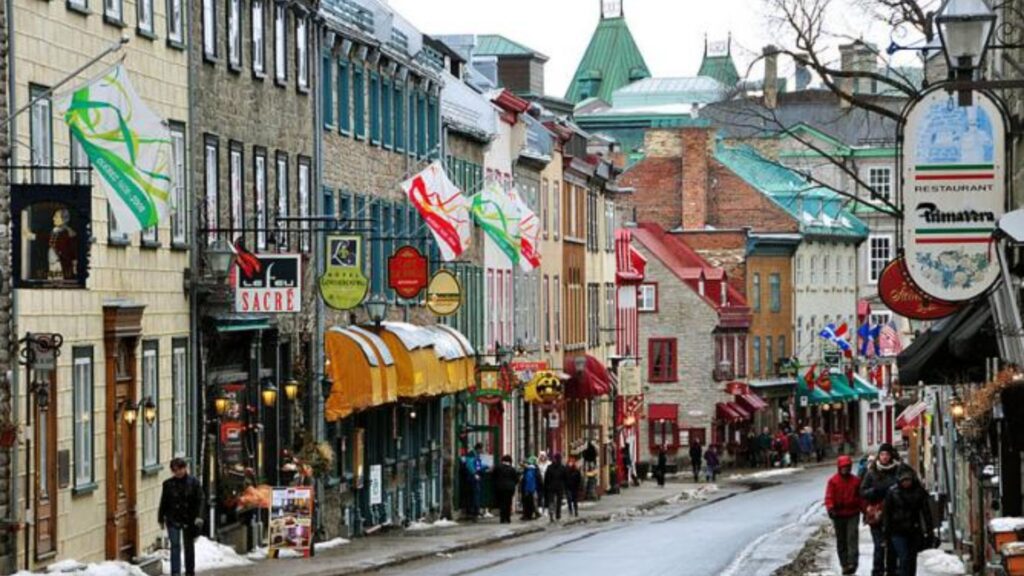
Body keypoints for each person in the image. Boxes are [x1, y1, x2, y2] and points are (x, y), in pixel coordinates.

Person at [884, 467, 937, 576]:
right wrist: (886, 532)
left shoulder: (919, 492)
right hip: (897, 531)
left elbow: (926, 513)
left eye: (908, 480)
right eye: (904, 480)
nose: (906, 483)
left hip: (913, 530)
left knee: (912, 559)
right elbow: (887, 513)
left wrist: (929, 531)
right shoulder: (893, 492)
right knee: (904, 558)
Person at [861, 443, 903, 576]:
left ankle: (892, 571)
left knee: (892, 546)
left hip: (894, 515)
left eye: (887, 454)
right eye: (882, 454)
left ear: (891, 456)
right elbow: (862, 491)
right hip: (876, 514)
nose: (884, 457)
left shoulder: (898, 470)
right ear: (878, 456)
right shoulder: (872, 472)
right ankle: (877, 571)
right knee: (879, 546)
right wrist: (874, 492)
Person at [159, 458, 204, 576]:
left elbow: (200, 500)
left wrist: (199, 516)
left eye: (179, 469)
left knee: (188, 545)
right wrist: (161, 517)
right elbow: (164, 502)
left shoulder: (194, 483)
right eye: (174, 470)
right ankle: (175, 572)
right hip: (172, 517)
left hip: (189, 518)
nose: (177, 472)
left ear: (185, 468)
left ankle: (189, 571)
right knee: (175, 545)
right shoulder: (168, 484)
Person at [825, 455, 863, 575]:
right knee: (841, 540)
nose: (845, 469)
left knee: (852, 537)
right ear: (839, 467)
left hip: (853, 513)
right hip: (838, 514)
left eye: (847, 467)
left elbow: (861, 498)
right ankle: (844, 564)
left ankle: (852, 562)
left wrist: (866, 511)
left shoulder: (856, 481)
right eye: (843, 467)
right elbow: (829, 496)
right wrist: (830, 508)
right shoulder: (833, 481)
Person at [492, 454, 519, 524]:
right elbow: (516, 479)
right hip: (510, 488)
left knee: (502, 503)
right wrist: (512, 484)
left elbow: (493, 476)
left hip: (500, 488)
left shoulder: (498, 468)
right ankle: (508, 518)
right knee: (508, 502)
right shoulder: (512, 469)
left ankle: (502, 518)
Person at [464, 443, 488, 519]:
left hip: (475, 476)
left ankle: (475, 510)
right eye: (481, 449)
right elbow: (470, 465)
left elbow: (478, 466)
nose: (482, 451)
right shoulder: (471, 455)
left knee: (476, 493)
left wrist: (486, 467)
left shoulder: (476, 455)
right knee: (474, 494)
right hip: (472, 477)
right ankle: (473, 511)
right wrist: (474, 474)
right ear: (478, 449)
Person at [544, 453, 567, 522]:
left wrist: (546, 486)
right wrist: (565, 486)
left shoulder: (549, 467)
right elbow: (565, 478)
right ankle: (558, 514)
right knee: (558, 501)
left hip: (551, 486)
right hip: (559, 487)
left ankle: (551, 513)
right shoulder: (562, 467)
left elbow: (546, 478)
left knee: (551, 500)